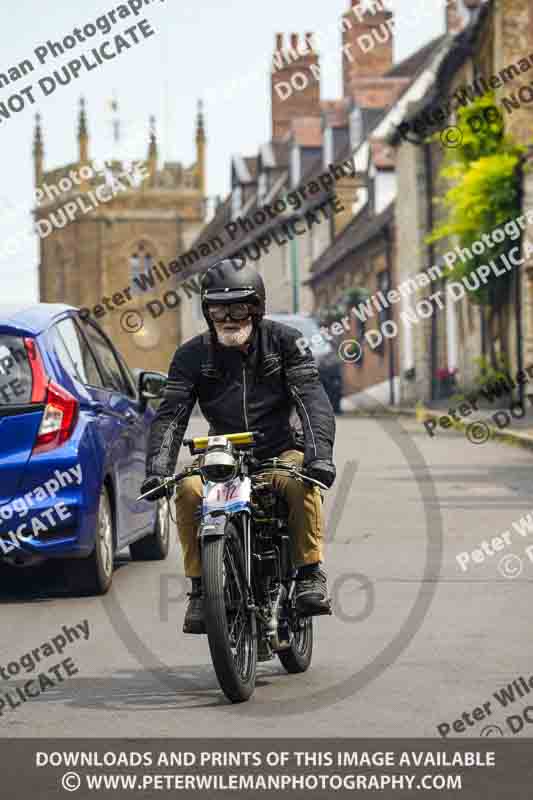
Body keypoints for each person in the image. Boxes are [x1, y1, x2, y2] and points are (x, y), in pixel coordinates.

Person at [141, 259, 336, 634]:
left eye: (240, 306)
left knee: (300, 484)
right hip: (223, 457)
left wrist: (319, 456)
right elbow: (171, 414)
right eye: (218, 307)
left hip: (281, 450)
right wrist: (157, 470)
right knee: (187, 490)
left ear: (257, 307)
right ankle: (201, 589)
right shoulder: (190, 356)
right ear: (207, 310)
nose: (229, 316)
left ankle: (310, 573)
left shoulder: (286, 342)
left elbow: (312, 399)